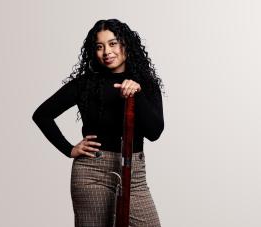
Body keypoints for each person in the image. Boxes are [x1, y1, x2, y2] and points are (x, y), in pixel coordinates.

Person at [32, 19, 164, 227]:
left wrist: (136, 95)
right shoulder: (85, 84)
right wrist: (69, 149)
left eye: (112, 44)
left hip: (134, 171)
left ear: (125, 45)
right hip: (92, 172)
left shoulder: (145, 84)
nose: (106, 52)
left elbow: (154, 132)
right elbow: (42, 115)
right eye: (100, 46)